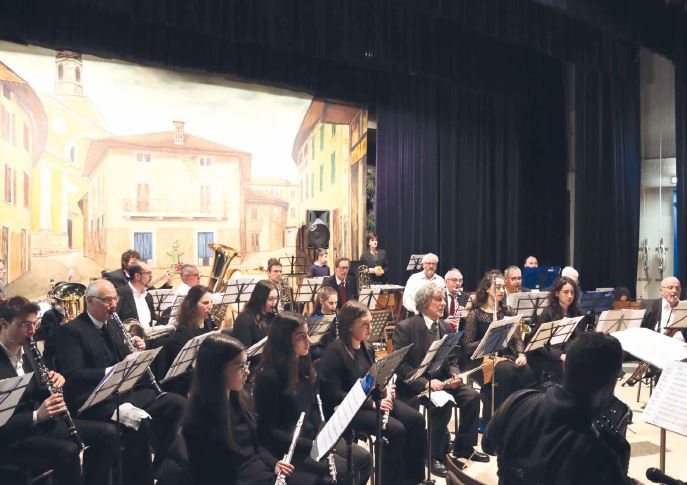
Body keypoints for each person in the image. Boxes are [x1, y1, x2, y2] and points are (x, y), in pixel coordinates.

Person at [54, 280, 186, 485]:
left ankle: (160, 469)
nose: (113, 305)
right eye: (107, 300)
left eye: (115, 299)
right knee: (137, 423)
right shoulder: (71, 331)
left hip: (122, 393)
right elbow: (74, 375)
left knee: (176, 404)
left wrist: (137, 349)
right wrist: (113, 370)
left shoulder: (113, 324)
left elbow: (126, 359)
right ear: (90, 300)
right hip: (92, 400)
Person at [483, 332, 636, 485]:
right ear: (613, 379)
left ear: (564, 365)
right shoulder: (607, 451)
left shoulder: (517, 401)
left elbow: (488, 446)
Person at [0, 296, 118, 485]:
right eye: (25, 325)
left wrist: (55, 381)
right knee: (68, 451)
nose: (32, 331)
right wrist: (37, 415)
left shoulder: (29, 349)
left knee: (107, 433)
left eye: (34, 324)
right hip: (11, 436)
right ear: (4, 324)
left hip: (39, 426)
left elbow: (37, 390)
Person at [182, 333, 323, 485]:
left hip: (261, 472)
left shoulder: (240, 399)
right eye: (240, 367)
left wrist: (274, 464)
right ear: (217, 370)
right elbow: (211, 477)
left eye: (246, 365)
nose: (247, 372)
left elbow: (256, 446)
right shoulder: (199, 421)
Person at [254, 312, 371, 484]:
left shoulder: (304, 367)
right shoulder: (269, 378)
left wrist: (326, 436)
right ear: (284, 340)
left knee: (364, 459)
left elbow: (314, 412)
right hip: (289, 447)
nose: (308, 341)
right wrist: (313, 445)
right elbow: (267, 432)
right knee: (345, 471)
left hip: (312, 439)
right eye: (301, 336)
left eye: (307, 334)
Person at [320, 301, 426, 484]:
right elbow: (333, 394)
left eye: (371, 322)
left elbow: (373, 378)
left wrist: (384, 389)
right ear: (350, 326)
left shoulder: (366, 347)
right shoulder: (334, 353)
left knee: (416, 420)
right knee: (396, 431)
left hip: (371, 401)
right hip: (347, 410)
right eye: (365, 324)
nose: (371, 328)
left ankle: (413, 478)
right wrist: (371, 403)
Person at [393, 284, 486, 477]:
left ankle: (464, 447)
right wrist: (426, 384)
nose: (444, 303)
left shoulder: (445, 326)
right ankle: (433, 455)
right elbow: (401, 367)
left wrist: (454, 373)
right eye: (438, 299)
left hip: (442, 381)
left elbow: (452, 357)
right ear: (425, 303)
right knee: (442, 405)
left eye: (443, 299)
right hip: (415, 386)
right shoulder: (405, 328)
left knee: (471, 396)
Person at [461, 271, 534, 424]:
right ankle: (497, 422)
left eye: (503, 288)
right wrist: (488, 340)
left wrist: (521, 354)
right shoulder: (475, 314)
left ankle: (518, 418)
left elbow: (516, 338)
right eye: (498, 287)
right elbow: (467, 346)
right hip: (479, 360)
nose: (501, 291)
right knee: (505, 372)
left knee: (526, 370)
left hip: (502, 358)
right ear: (487, 289)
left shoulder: (508, 311)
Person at [161, 285, 214, 396]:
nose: (210, 307)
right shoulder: (183, 332)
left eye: (211, 302)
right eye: (205, 303)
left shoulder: (209, 324)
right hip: (186, 384)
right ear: (193, 305)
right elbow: (182, 370)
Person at [528, 276, 582, 384]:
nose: (570, 295)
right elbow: (539, 345)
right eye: (566, 292)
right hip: (548, 356)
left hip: (567, 354)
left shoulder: (575, 312)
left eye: (572, 292)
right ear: (557, 294)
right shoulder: (548, 313)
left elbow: (577, 339)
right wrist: (560, 355)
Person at [231, 280, 278, 350]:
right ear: (260, 298)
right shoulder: (244, 320)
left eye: (276, 298)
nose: (274, 302)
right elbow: (243, 352)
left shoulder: (272, 316)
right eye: (270, 299)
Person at [641, 276, 686, 341]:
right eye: (670, 288)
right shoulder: (648, 305)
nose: (674, 291)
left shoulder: (685, 307)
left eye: (677, 288)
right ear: (661, 291)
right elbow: (640, 330)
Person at [103, 249, 172, 290]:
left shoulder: (141, 275)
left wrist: (168, 284)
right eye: (132, 263)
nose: (136, 266)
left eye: (137, 263)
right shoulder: (114, 276)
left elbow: (154, 293)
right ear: (124, 262)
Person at [116, 262, 156, 327]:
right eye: (148, 273)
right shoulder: (120, 293)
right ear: (137, 276)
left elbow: (153, 322)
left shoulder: (148, 297)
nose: (151, 276)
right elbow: (113, 322)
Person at [306, 286, 338, 361]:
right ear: (321, 301)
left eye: (336, 303)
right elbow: (313, 349)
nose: (334, 306)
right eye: (331, 303)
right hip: (321, 358)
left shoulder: (336, 315)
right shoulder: (315, 319)